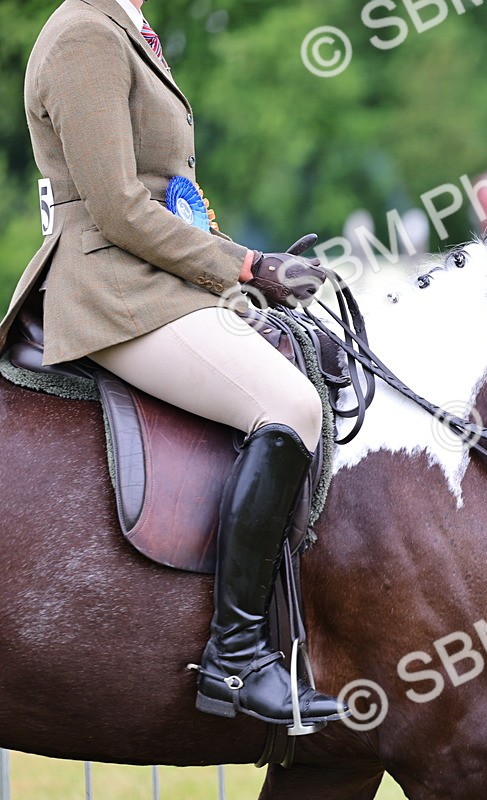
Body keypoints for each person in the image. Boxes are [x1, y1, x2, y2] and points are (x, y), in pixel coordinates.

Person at [0, 0, 344, 729]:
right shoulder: (84, 34)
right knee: (289, 406)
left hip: (159, 282)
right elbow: (119, 207)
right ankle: (235, 659)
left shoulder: (126, 25)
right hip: (112, 290)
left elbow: (168, 195)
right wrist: (248, 264)